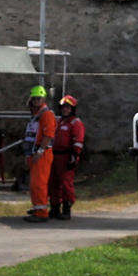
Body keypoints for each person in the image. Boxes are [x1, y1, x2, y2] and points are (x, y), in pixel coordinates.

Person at [49, 93, 85, 221]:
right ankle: (54, 208)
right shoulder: (59, 122)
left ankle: (66, 209)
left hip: (67, 157)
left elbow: (78, 141)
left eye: (68, 107)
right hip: (55, 156)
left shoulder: (76, 123)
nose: (65, 109)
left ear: (72, 109)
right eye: (63, 107)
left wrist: (74, 156)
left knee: (66, 184)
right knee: (53, 182)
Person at [23, 86, 57, 220]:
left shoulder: (46, 114)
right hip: (33, 151)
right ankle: (37, 207)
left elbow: (48, 135)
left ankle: (42, 212)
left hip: (42, 153)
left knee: (39, 183)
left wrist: (40, 151)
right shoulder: (36, 115)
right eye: (34, 99)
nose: (36, 101)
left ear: (43, 99)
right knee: (33, 183)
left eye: (38, 98)